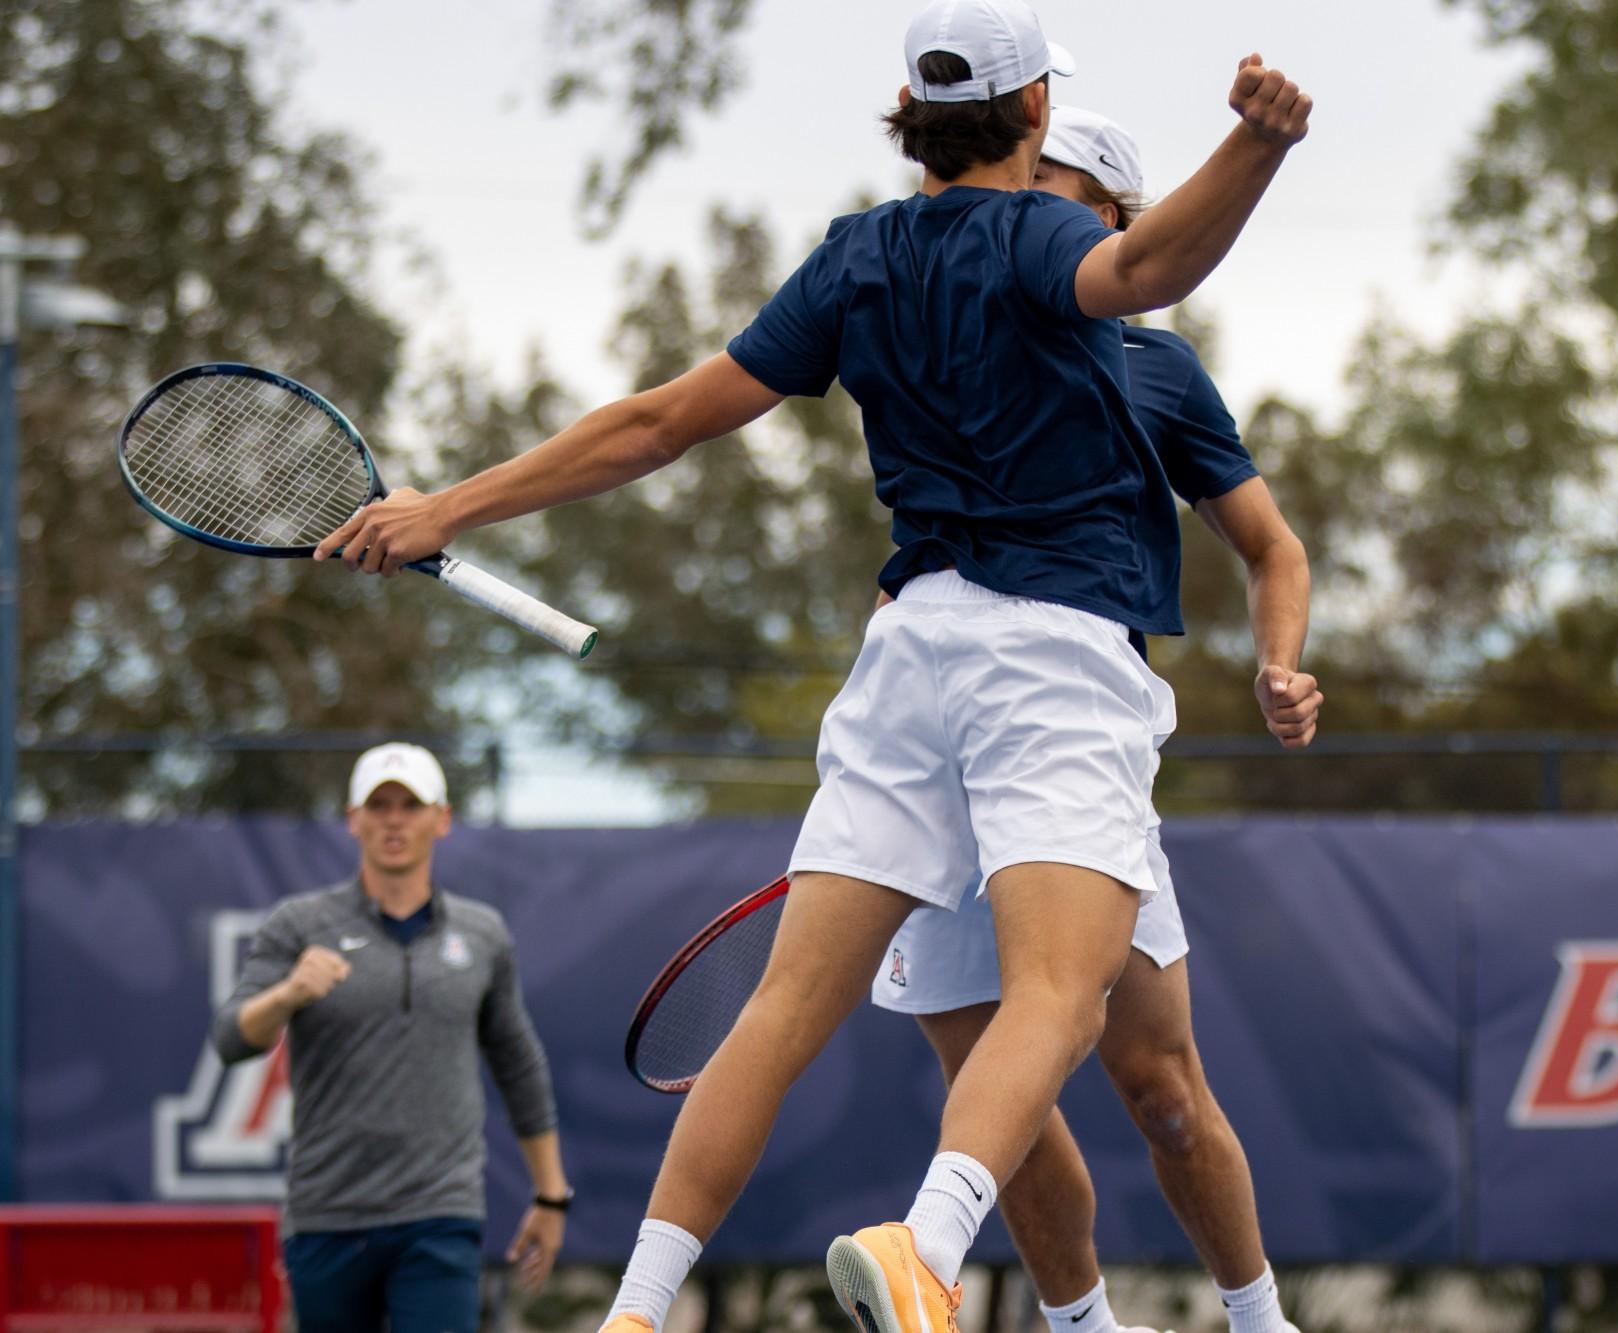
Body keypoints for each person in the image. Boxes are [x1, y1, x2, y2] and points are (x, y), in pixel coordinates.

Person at [312, 3, 1313, 1329]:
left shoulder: (854, 260)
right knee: (1062, 1000)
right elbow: (1153, 269)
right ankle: (927, 1250)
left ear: (912, 114)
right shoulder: (1048, 238)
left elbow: (658, 424)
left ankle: (636, 1309)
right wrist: (1257, 145)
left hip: (907, 657)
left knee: (784, 1008)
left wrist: (449, 506)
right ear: (1029, 118)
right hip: (1050, 659)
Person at [868, 106, 1316, 1333]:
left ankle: (1260, 1320)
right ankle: (1079, 1327)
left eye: (1049, 183)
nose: (1013, 202)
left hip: (1075, 744)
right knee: (992, 1094)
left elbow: (1272, 547)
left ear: (1115, 212)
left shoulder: (1156, 367)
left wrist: (1280, 662)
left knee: (1161, 1086)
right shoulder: (952, 325)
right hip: (942, 734)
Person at [210, 743, 572, 1333]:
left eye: (411, 804)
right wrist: (288, 994)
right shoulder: (298, 926)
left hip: (440, 1214)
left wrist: (552, 1195)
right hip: (327, 1216)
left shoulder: (483, 935)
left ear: (442, 819)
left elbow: (518, 1063)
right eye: (379, 805)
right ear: (353, 819)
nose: (395, 819)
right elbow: (232, 1039)